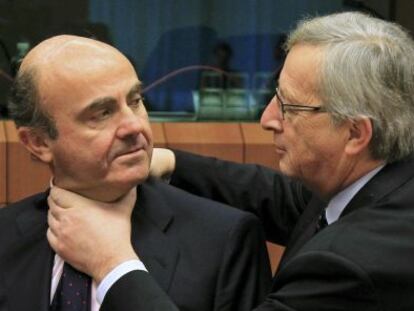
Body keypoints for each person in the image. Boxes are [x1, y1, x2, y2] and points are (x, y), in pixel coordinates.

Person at [31, 11, 414, 310]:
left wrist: (112, 262)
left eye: (288, 107)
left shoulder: (350, 265)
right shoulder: (385, 175)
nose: (267, 119)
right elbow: (282, 198)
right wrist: (170, 161)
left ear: (355, 134)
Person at [0, 35, 271, 310]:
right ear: (39, 142)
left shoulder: (223, 240)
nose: (133, 126)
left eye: (135, 101)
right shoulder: (6, 236)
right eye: (102, 113)